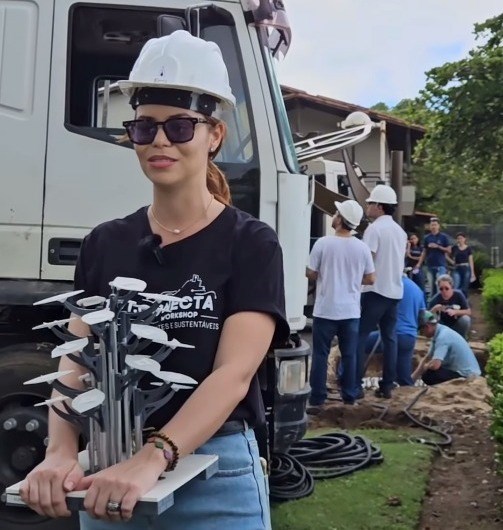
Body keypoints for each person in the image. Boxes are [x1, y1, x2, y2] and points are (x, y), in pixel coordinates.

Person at [20, 31, 289, 530]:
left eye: (181, 126)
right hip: (110, 476)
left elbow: (233, 375)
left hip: (216, 475)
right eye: (145, 128)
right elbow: (75, 361)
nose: (161, 141)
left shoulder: (250, 241)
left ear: (214, 136)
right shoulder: (106, 242)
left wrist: (152, 458)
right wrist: (59, 450)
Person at [306, 200, 375, 408]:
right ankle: (349, 396)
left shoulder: (323, 244)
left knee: (320, 354)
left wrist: (322, 275)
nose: (333, 215)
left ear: (339, 219)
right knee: (350, 355)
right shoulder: (362, 247)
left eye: (335, 213)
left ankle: (317, 399)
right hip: (350, 311)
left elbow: (310, 273)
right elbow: (371, 278)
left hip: (326, 309)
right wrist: (353, 280)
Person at [356, 184, 408, 399]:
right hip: (394, 292)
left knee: (359, 337)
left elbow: (365, 260)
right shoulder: (400, 231)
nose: (367, 206)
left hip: (375, 290)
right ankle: (387, 386)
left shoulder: (374, 229)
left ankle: (354, 385)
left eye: (370, 203)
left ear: (379, 206)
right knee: (390, 339)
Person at [364, 275, 425, 386]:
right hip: (409, 336)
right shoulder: (417, 289)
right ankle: (406, 390)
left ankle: (347, 379)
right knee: (404, 378)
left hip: (391, 333)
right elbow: (422, 316)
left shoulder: (392, 284)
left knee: (359, 343)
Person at [412, 311, 481, 385]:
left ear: (427, 326)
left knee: (429, 375)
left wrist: (426, 367)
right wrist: (412, 379)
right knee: (428, 371)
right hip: (462, 372)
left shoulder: (443, 336)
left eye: (421, 331)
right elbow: (427, 358)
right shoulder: (439, 332)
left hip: (468, 376)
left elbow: (435, 365)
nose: (422, 334)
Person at [415, 217, 451, 299]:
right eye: (432, 225)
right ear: (429, 226)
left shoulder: (444, 237)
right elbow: (424, 252)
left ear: (438, 226)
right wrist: (419, 264)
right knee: (431, 288)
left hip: (440, 265)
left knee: (440, 286)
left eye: (435, 225)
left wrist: (438, 246)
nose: (433, 227)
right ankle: (432, 306)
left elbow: (449, 250)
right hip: (430, 265)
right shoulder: (427, 238)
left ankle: (442, 303)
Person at [428, 274, 471, 339]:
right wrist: (434, 309)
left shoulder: (458, 295)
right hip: (442, 325)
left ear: (451, 287)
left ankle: (462, 338)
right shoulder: (436, 298)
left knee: (465, 319)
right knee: (433, 319)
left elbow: (468, 311)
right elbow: (427, 315)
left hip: (456, 324)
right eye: (441, 289)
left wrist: (455, 312)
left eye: (446, 288)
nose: (444, 291)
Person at [451, 232, 476, 298]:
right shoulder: (454, 248)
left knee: (465, 287)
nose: (460, 240)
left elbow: (471, 260)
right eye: (458, 238)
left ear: (464, 239)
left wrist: (472, 272)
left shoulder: (468, 249)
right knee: (456, 285)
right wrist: (452, 262)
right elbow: (450, 256)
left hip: (466, 268)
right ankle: (456, 301)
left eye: (461, 238)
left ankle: (464, 302)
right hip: (457, 268)